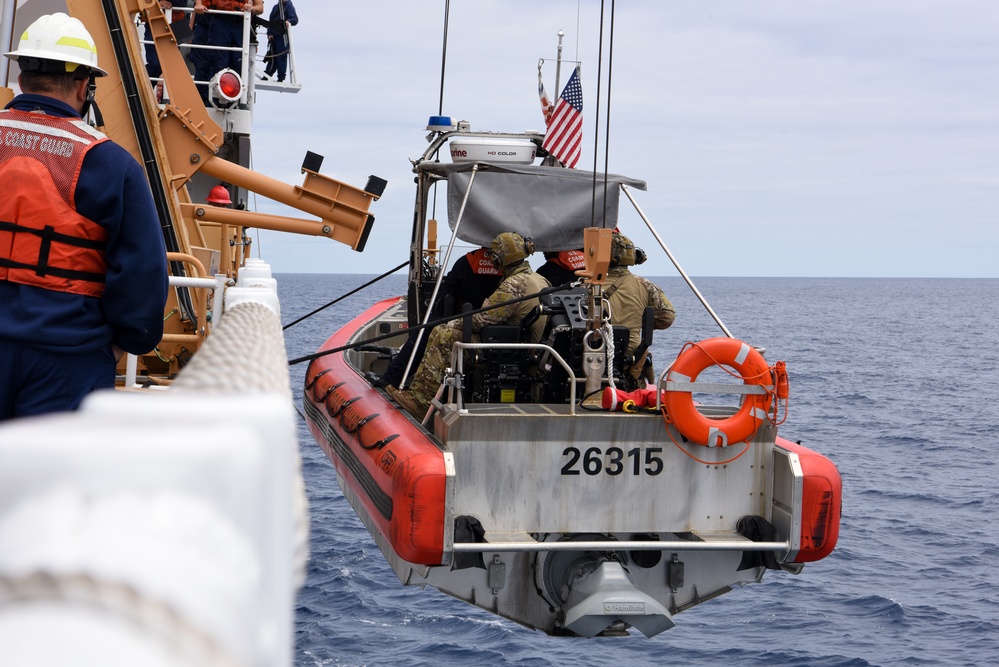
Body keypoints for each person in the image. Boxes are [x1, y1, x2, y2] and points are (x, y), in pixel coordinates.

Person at [0, 13, 169, 420]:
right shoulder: (112, 164)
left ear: (22, 79)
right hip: (68, 360)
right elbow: (143, 274)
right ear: (82, 86)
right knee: (54, 482)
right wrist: (127, 341)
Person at [387, 232, 551, 420]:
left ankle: (421, 402)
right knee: (443, 332)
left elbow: (481, 320)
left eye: (494, 256)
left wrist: (451, 322)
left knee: (442, 335)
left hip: (505, 351)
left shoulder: (514, 284)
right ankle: (420, 394)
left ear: (501, 259)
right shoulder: (537, 278)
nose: (491, 259)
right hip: (521, 347)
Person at [375, 246, 502, 389]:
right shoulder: (512, 273)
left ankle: (395, 379)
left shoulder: (466, 262)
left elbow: (448, 295)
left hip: (468, 324)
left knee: (426, 331)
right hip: (501, 332)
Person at [603, 232, 675, 382]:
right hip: (631, 362)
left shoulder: (585, 285)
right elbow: (667, 317)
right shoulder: (645, 285)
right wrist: (640, 320)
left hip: (594, 359)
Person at [191, 0, 263, 102]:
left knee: (238, 64)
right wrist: (198, 4)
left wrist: (251, 8)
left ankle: (232, 101)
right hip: (220, 21)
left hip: (240, 23)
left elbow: (260, 8)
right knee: (218, 63)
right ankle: (212, 100)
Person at [263, 0, 299, 82]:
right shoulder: (276, 7)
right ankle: (267, 74)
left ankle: (281, 77)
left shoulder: (288, 6)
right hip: (274, 36)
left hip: (282, 36)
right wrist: (269, 33)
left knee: (281, 57)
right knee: (272, 57)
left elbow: (295, 19)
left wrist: (288, 22)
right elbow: (270, 22)